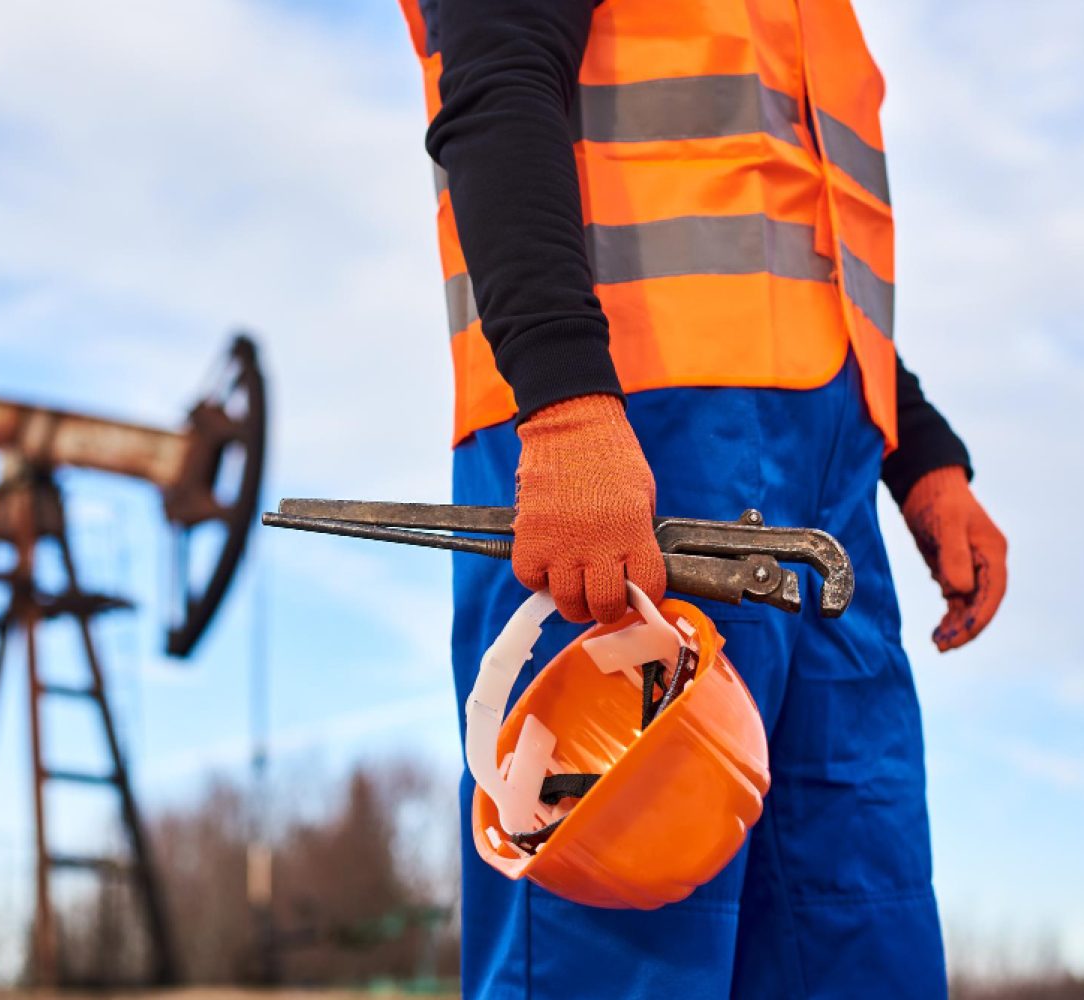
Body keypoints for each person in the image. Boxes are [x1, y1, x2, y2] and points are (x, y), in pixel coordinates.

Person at [395, 1, 1009, 996]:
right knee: (608, 953)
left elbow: (799, 240)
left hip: (827, 480)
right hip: (624, 451)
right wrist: (563, 405)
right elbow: (500, 76)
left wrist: (923, 455)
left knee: (856, 931)